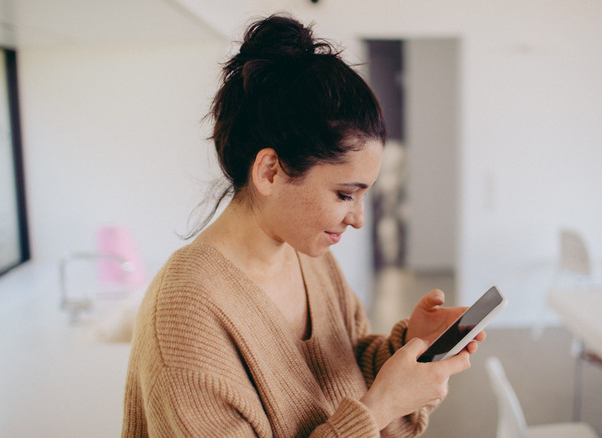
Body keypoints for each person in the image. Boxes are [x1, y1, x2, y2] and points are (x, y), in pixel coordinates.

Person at [122, 13, 485, 437]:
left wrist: (408, 351)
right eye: (344, 194)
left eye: (364, 194)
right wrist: (381, 406)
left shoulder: (308, 254)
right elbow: (366, 407)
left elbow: (345, 367)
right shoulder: (185, 313)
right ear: (271, 171)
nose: (359, 218)